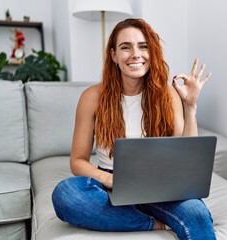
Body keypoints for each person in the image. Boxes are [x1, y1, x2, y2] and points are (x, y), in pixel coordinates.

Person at [52, 18, 215, 240]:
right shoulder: (92, 97)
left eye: (143, 46)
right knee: (66, 194)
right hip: (112, 182)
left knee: (197, 214)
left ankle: (126, 216)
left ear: (152, 52)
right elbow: (77, 160)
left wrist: (190, 107)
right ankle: (151, 224)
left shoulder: (167, 95)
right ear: (114, 56)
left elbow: (187, 157)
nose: (135, 54)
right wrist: (110, 181)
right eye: (125, 47)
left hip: (161, 182)